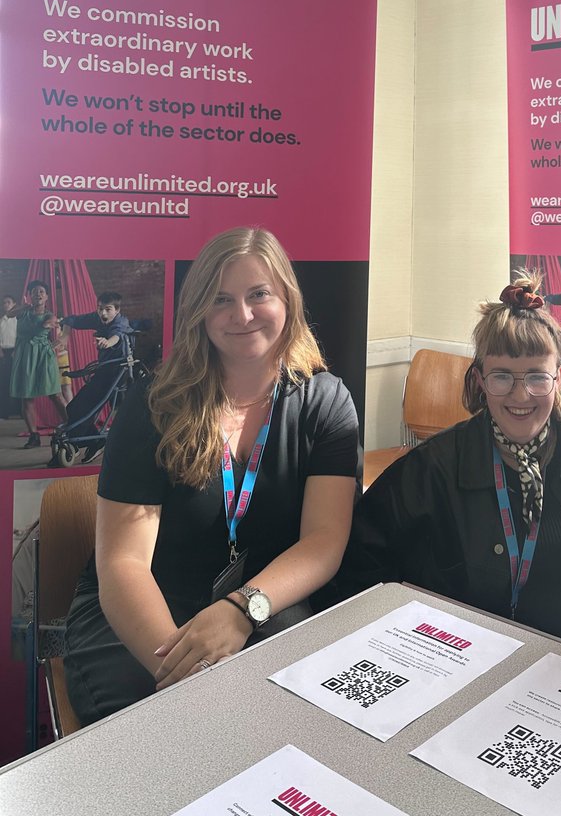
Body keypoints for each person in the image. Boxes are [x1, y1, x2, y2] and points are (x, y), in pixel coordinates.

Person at [64, 227, 360, 725]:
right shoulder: (153, 401)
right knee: (168, 730)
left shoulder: (327, 402)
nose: (242, 315)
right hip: (142, 607)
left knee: (291, 719)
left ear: (287, 297)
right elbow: (124, 564)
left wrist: (244, 609)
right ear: (199, 311)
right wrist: (187, 670)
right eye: (221, 299)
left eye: (258, 294)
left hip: (262, 600)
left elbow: (325, 541)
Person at [328, 272, 561, 665]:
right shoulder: (429, 471)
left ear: (559, 376)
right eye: (502, 376)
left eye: (537, 376)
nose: (521, 395)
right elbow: (358, 572)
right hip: (470, 668)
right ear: (480, 379)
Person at [57, 291, 132, 462]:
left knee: (88, 408)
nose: (103, 313)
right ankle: (96, 441)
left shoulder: (121, 322)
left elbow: (116, 336)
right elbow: (71, 319)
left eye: (108, 309)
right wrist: (65, 335)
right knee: (72, 408)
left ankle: (73, 443)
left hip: (117, 371)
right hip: (103, 371)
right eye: (100, 309)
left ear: (117, 310)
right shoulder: (97, 318)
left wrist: (108, 342)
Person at [10, 280, 67, 449]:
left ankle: (72, 427)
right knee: (26, 397)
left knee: (55, 394)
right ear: (30, 295)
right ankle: (33, 436)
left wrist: (51, 336)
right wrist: (24, 307)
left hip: (43, 356)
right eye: (35, 291)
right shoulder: (23, 311)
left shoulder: (50, 314)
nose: (38, 294)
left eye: (42, 291)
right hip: (25, 355)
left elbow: (51, 327)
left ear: (47, 296)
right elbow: (10, 313)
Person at [0, 295, 19, 419]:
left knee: (18, 382)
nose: (6, 305)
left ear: (14, 304)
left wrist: (16, 350)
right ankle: (4, 412)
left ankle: (19, 411)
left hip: (16, 351)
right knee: (4, 382)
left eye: (8, 302)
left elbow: (21, 336)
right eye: (4, 303)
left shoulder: (18, 319)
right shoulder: (1, 320)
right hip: (3, 353)